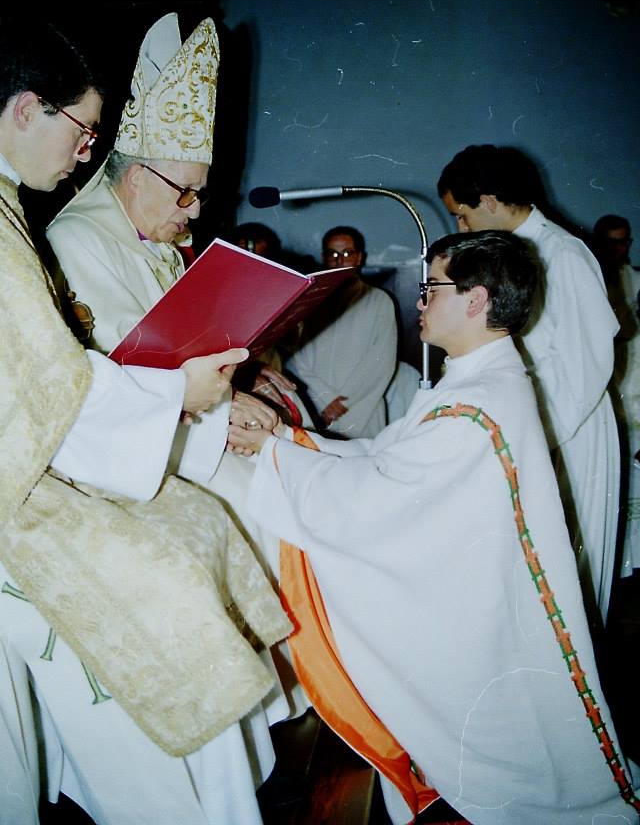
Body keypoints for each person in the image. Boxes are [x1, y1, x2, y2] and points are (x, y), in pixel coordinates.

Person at [228, 230, 640, 825]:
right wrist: (291, 443)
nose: (419, 301)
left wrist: (273, 455)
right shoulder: (478, 378)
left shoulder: (476, 403)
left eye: (433, 288)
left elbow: (379, 500)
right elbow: (390, 455)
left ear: (475, 299)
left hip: (470, 615)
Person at [0, 16, 292, 825]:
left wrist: (198, 397)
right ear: (28, 109)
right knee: (175, 591)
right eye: (83, 131)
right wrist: (181, 400)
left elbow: (47, 372)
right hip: (31, 497)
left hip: (81, 461)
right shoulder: (32, 229)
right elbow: (50, 384)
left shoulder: (9, 212)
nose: (84, 153)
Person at [46, 12, 306, 718]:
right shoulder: (78, 241)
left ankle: (299, 687)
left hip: (189, 425)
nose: (192, 213)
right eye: (183, 192)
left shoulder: (154, 233)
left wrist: (243, 385)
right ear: (134, 176)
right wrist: (224, 416)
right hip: (137, 451)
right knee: (269, 508)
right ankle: (268, 701)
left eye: (200, 193)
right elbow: (121, 373)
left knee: (294, 479)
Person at [437, 144, 620, 630]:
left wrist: (537, 439)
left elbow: (587, 365)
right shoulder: (515, 255)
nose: (461, 228)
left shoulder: (563, 254)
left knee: (569, 575)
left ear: (491, 200)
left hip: (569, 429)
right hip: (530, 424)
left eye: (463, 215)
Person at [285, 226, 398, 438]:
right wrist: (325, 399)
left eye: (347, 254)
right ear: (323, 258)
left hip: (362, 409)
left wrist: (343, 403)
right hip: (316, 407)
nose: (340, 261)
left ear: (359, 257)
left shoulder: (378, 301)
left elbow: (381, 362)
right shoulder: (311, 302)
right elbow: (295, 359)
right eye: (333, 254)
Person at [593, 214, 640, 576]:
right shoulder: (592, 278)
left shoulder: (634, 280)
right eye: (611, 242)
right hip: (607, 400)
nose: (618, 249)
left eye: (624, 242)